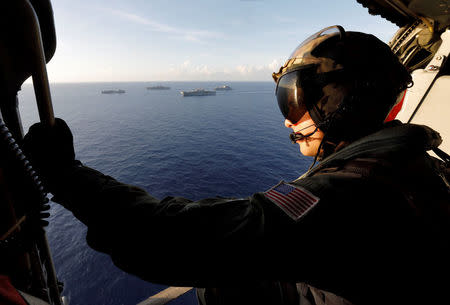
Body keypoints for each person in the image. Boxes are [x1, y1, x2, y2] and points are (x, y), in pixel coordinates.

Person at [22, 26, 449, 305]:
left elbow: (166, 236)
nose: (286, 118)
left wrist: (66, 174)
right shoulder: (413, 167)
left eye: (293, 98)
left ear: (342, 101)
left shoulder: (351, 193)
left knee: (220, 283)